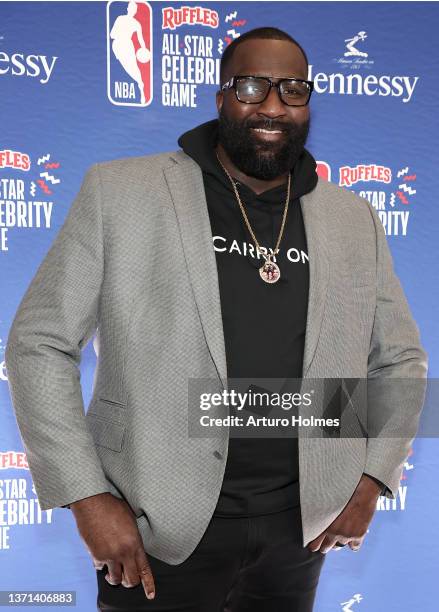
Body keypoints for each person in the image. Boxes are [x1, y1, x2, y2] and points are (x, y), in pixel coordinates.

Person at [5, 27, 427, 612]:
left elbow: (400, 359)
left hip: (301, 531)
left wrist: (373, 477)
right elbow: (38, 344)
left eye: (292, 89)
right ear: (222, 96)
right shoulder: (121, 192)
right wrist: (87, 495)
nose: (273, 105)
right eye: (253, 86)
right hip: (158, 527)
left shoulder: (352, 217)